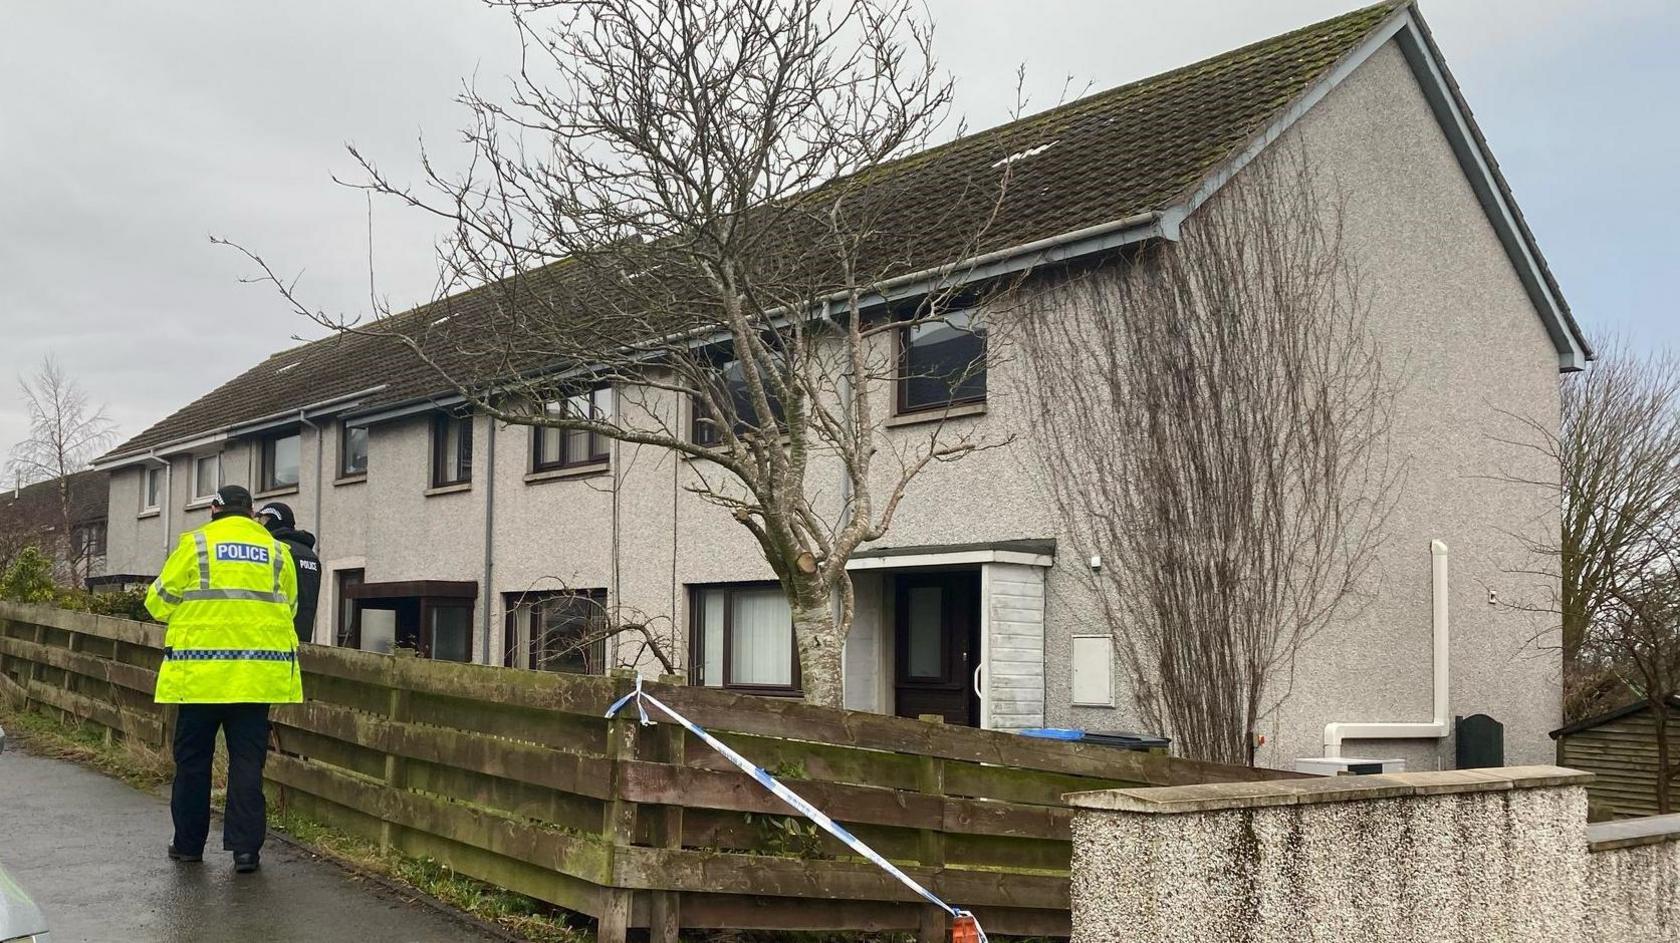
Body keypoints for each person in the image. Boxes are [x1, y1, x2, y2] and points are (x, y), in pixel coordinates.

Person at [145, 484, 302, 874]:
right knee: (248, 764)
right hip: (256, 678)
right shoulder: (277, 553)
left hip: (200, 678)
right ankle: (246, 852)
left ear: (214, 508)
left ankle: (188, 847)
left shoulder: (195, 545)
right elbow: (291, 607)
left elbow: (157, 602)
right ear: (251, 513)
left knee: (193, 763)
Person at [256, 501, 321, 644]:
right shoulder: (310, 555)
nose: (259, 525)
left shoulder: (277, 551)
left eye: (263, 520)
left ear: (273, 520)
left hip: (275, 638)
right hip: (303, 637)